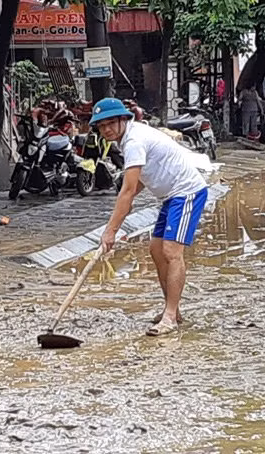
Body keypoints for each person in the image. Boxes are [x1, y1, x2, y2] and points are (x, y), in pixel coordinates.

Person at [92, 98, 209, 337]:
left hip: (187, 192)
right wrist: (116, 222)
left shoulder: (134, 141)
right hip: (169, 196)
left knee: (171, 252)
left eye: (111, 123)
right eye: (101, 125)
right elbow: (136, 187)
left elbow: (127, 190)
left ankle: (170, 316)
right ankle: (172, 310)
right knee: (156, 250)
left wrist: (111, 230)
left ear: (123, 119)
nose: (106, 129)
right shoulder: (127, 140)